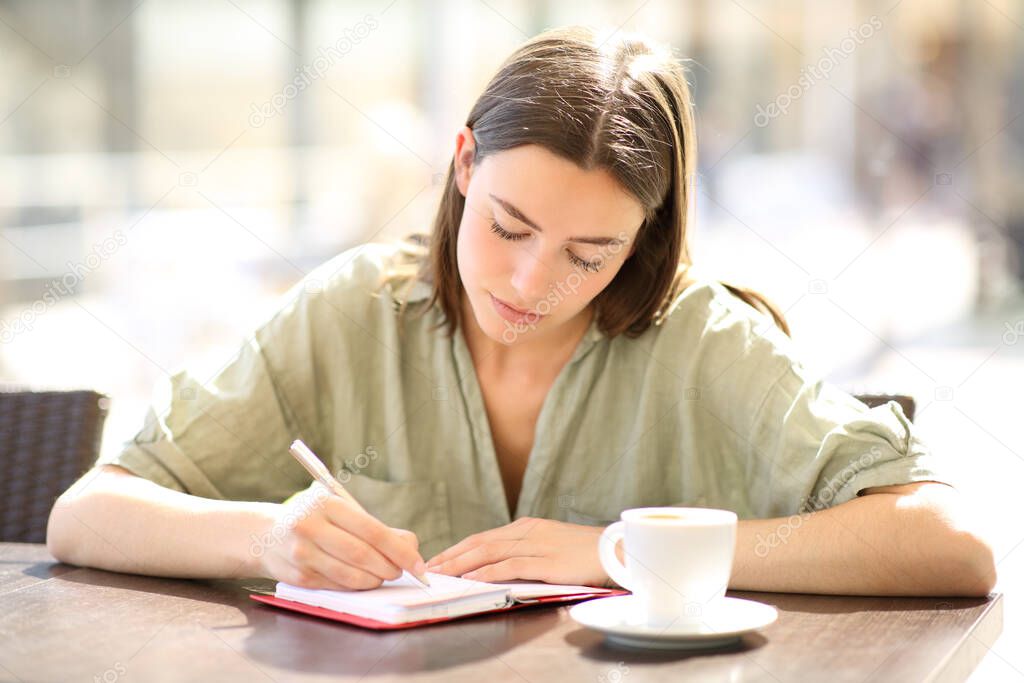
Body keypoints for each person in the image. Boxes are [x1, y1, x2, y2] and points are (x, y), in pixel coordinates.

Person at [47, 26, 996, 597]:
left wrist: (619, 551)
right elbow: (86, 516)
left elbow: (951, 544)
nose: (532, 282)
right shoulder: (353, 312)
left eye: (590, 254)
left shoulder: (702, 340)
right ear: (463, 166)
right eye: (507, 225)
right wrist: (265, 537)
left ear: (644, 238)